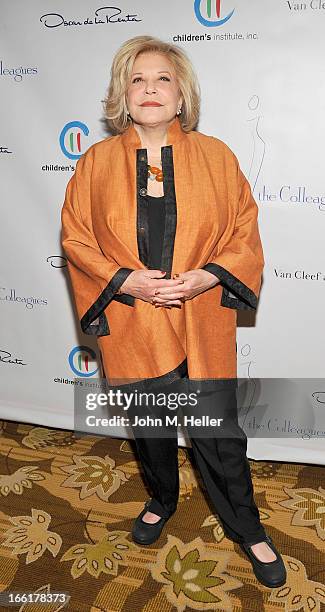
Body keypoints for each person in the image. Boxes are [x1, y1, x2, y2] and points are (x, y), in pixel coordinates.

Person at [61, 35, 286, 588]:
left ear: (181, 94)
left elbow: (244, 230)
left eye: (162, 78)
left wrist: (209, 274)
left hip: (200, 314)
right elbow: (76, 238)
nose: (150, 89)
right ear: (123, 95)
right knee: (150, 428)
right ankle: (161, 498)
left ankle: (248, 527)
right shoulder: (94, 163)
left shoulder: (217, 156)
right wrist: (127, 281)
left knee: (218, 433)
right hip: (135, 319)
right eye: (137, 80)